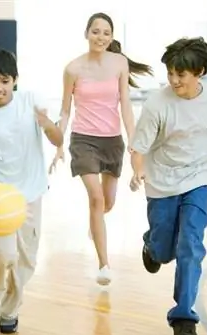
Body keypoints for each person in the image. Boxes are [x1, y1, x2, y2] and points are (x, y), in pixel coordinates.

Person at [129, 37, 207, 335]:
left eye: (182, 74)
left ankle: (183, 318)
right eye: (171, 74)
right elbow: (138, 149)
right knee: (165, 251)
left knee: (191, 243)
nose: (175, 80)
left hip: (200, 175)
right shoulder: (157, 105)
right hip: (162, 179)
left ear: (200, 72)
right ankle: (152, 245)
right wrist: (138, 169)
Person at [0, 48, 63, 334]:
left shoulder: (31, 102)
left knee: (25, 261)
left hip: (31, 195)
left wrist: (46, 124)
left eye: (4, 81)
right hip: (0, 199)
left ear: (15, 80)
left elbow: (58, 139)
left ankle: (11, 311)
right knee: (4, 254)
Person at [50, 12, 153, 285]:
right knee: (95, 198)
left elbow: (127, 107)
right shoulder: (72, 69)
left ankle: (94, 224)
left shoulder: (119, 63)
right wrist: (59, 144)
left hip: (112, 141)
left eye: (106, 32)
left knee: (107, 203)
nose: (101, 37)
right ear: (86, 34)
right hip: (83, 140)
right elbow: (64, 109)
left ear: (111, 37)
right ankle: (104, 265)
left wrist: (134, 143)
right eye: (96, 31)